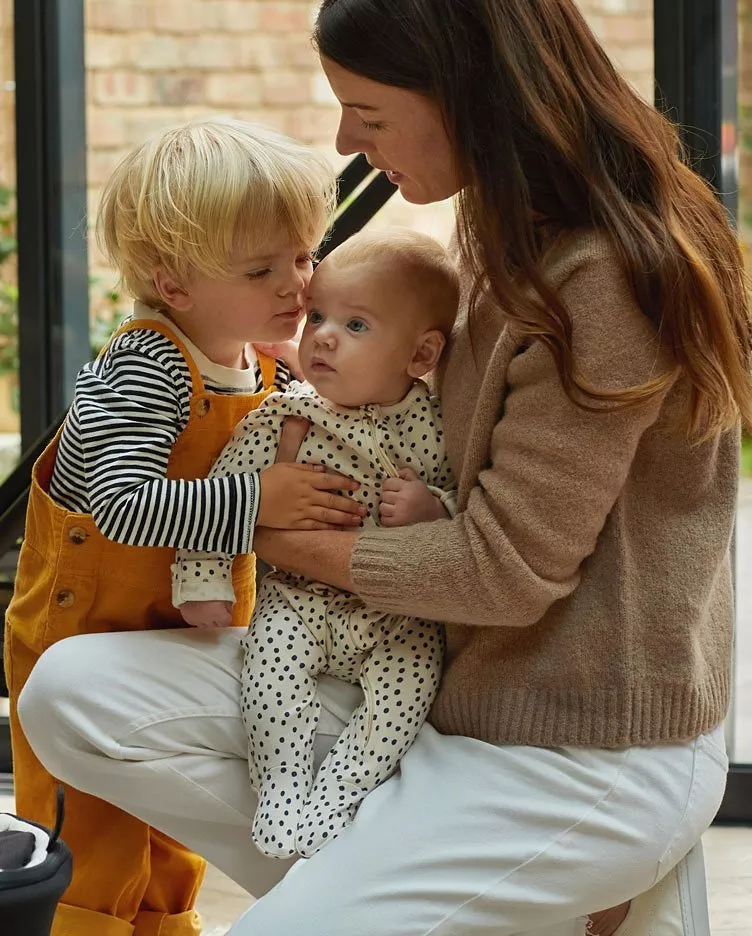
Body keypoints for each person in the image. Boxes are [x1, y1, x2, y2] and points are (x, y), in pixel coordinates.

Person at [16, 1, 752, 934]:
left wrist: (260, 520)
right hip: (457, 700)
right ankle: (457, 895)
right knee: (70, 692)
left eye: (367, 115)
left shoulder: (603, 275)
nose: (345, 141)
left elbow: (501, 568)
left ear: (470, 95)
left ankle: (491, 886)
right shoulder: (502, 227)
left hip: (583, 750)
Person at [4, 115, 365, 936]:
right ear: (174, 285)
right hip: (81, 628)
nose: (296, 285)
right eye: (262, 268)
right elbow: (123, 506)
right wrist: (263, 502)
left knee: (171, 833)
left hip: (188, 627)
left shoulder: (264, 363)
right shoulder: (148, 363)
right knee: (89, 836)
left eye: (306, 256)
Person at [173, 228, 458, 860]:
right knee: (269, 674)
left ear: (420, 355)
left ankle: (338, 794)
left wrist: (433, 509)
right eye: (319, 316)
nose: (323, 335)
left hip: (397, 616)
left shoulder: (437, 429)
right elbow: (223, 494)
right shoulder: (283, 417)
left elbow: (476, 513)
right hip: (297, 601)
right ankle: (281, 787)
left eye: (357, 325)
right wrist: (203, 580)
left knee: (407, 694)